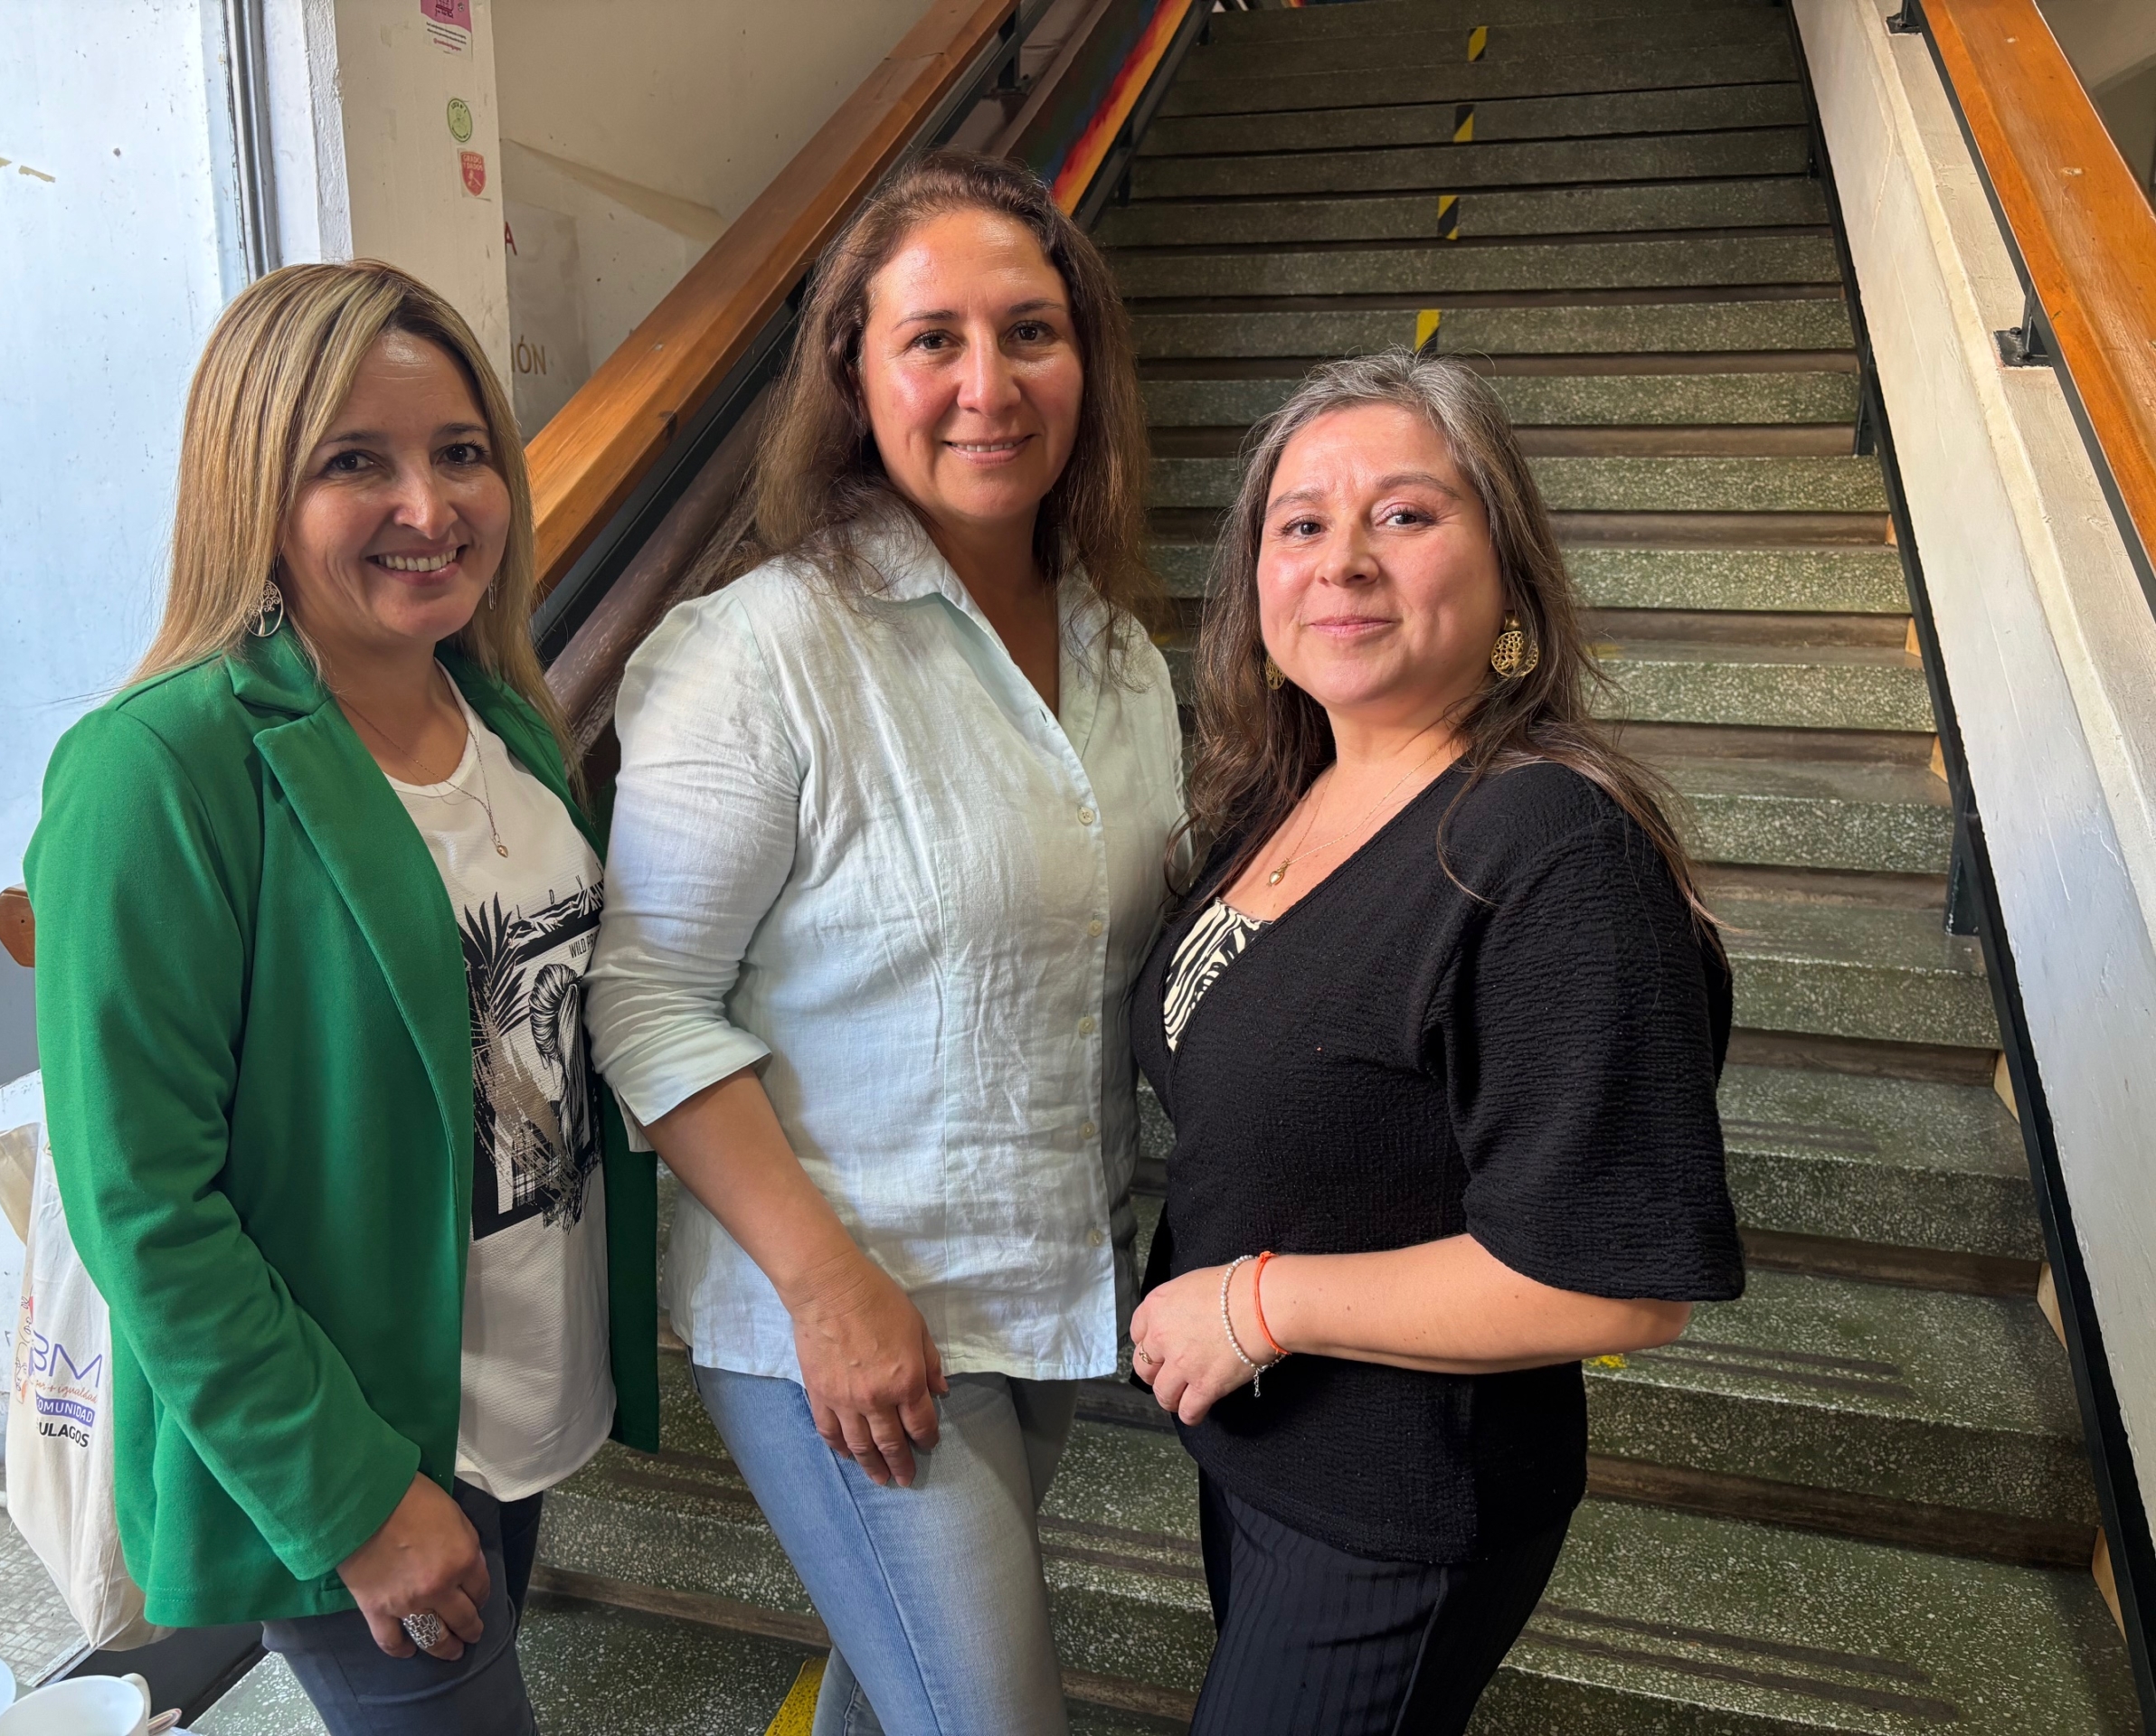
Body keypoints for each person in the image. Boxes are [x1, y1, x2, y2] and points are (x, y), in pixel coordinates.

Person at [583, 149, 1180, 1736]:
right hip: (843, 1312)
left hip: (1042, 1280)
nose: (989, 385)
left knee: (897, 1695)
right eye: (933, 340)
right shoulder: (760, 650)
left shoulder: (1124, 657)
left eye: (1031, 332)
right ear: (854, 375)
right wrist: (827, 1287)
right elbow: (645, 1003)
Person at [25, 260, 660, 1734]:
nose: (429, 508)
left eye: (461, 452)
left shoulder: (501, 715)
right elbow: (145, 1206)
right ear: (253, 489)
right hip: (354, 1439)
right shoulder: (158, 769)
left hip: (512, 1397)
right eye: (355, 463)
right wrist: (356, 1497)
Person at [1126, 350, 1745, 1735]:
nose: (1342, 559)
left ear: (1508, 572)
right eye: (1300, 523)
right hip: (1268, 1458)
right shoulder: (1284, 801)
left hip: (1397, 1507)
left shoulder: (1550, 852)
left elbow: (1612, 1286)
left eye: (1404, 514)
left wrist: (1257, 1305)